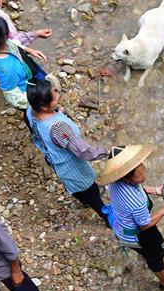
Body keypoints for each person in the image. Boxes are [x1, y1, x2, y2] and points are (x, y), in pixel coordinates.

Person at [97, 145, 164, 290]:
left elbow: (139, 188)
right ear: (125, 177)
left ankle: (155, 251)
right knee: (154, 257)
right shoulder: (135, 202)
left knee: (154, 247)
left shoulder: (115, 181)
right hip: (137, 235)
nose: (144, 177)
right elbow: (145, 225)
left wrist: (157, 190)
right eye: (139, 176)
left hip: (121, 225)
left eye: (143, 171)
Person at [25, 79, 110, 226]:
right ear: (44, 106)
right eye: (54, 94)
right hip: (74, 169)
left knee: (76, 189)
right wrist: (107, 152)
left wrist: (58, 111)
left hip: (57, 163)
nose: (58, 95)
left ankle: (84, 200)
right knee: (92, 192)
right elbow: (83, 152)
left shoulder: (30, 111)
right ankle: (107, 217)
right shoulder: (58, 128)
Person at [0, 14, 50, 110]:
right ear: (6, 36)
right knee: (47, 99)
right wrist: (35, 103)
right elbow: (13, 96)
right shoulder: (7, 70)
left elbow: (11, 44)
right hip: (29, 88)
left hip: (26, 67)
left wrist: (28, 50)